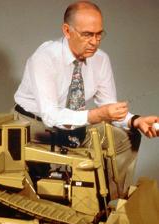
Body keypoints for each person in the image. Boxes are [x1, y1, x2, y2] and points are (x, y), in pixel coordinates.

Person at [13, 0, 159, 198]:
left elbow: (108, 108)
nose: (95, 42)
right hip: (33, 127)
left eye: (99, 34)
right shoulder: (44, 58)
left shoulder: (101, 59)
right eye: (87, 34)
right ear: (67, 30)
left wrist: (135, 120)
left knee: (127, 136)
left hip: (75, 125)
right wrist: (96, 115)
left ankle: (108, 202)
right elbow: (51, 115)